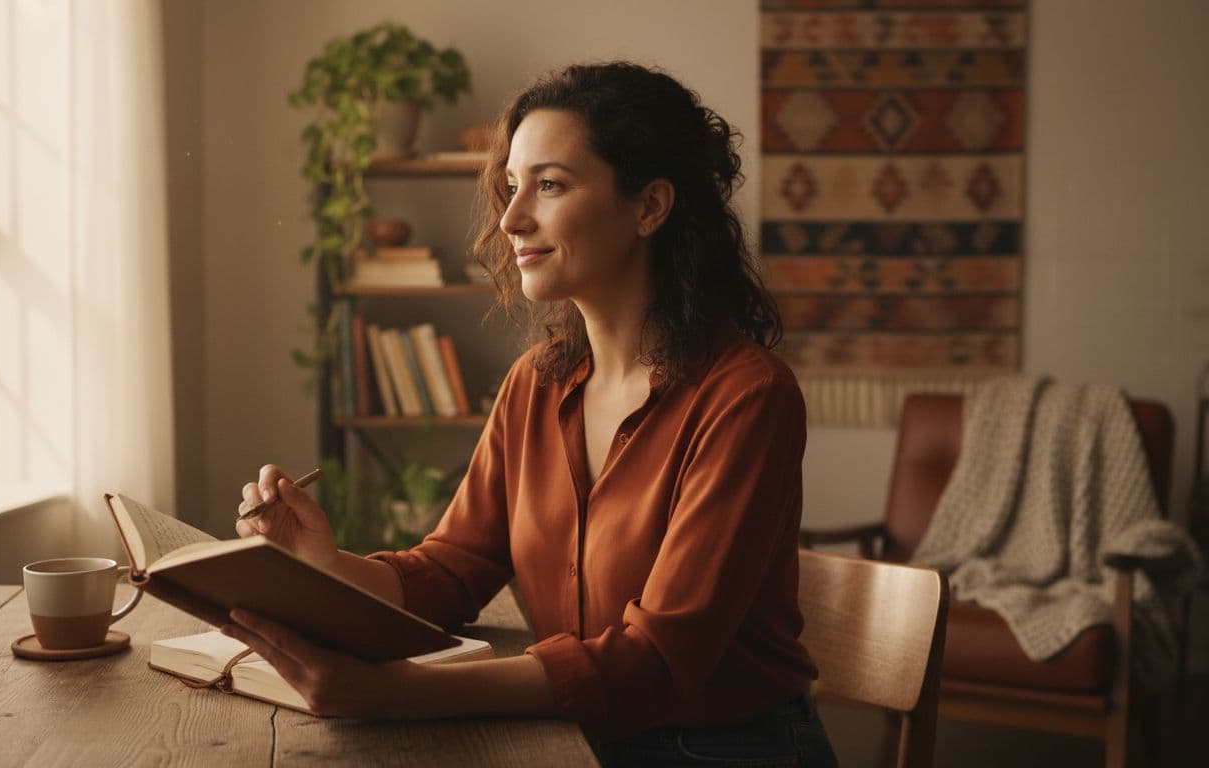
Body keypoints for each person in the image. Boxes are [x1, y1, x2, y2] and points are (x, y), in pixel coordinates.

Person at [230, 61, 838, 767]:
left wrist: (387, 692)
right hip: (570, 737)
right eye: (512, 187)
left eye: (549, 185)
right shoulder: (536, 386)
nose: (512, 219)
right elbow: (452, 570)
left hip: (723, 749)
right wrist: (323, 564)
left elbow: (655, 662)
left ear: (650, 207)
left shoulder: (746, 397)